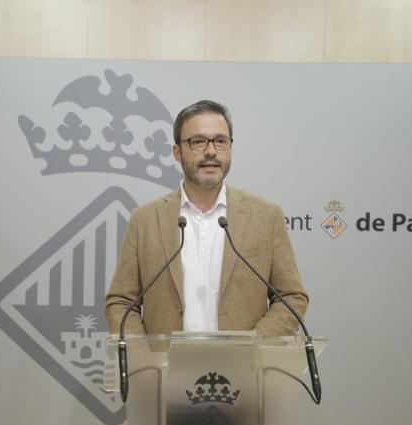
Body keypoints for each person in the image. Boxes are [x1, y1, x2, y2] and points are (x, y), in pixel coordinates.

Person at [105, 100, 308, 336]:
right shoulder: (145, 220)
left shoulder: (266, 216)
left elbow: (291, 296)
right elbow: (121, 302)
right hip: (165, 359)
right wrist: (143, 353)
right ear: (177, 152)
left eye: (220, 141)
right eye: (198, 142)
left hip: (243, 359)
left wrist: (252, 345)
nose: (211, 151)